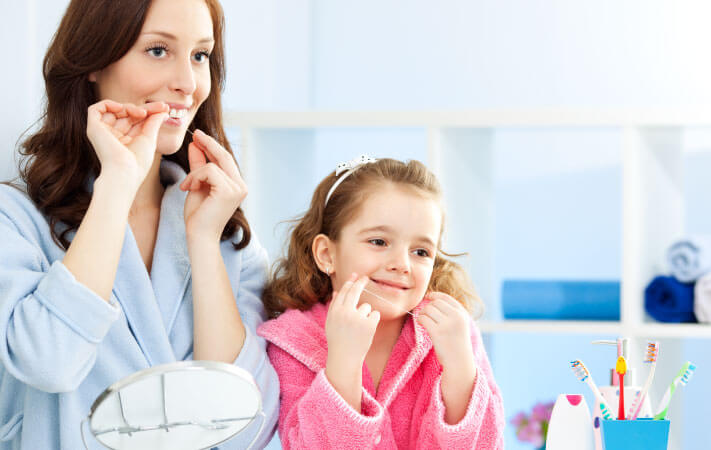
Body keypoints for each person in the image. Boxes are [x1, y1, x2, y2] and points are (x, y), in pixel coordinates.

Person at [0, 0, 279, 448]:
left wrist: (204, 243)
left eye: (200, 55)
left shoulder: (227, 235)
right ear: (93, 61)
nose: (187, 84)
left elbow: (247, 426)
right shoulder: (16, 221)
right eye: (157, 50)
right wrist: (116, 185)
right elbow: (47, 362)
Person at [258, 156, 504, 448]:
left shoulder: (452, 333)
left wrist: (461, 368)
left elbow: (487, 443)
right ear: (326, 254)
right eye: (379, 242)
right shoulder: (293, 342)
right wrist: (343, 362)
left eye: (421, 251)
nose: (402, 264)